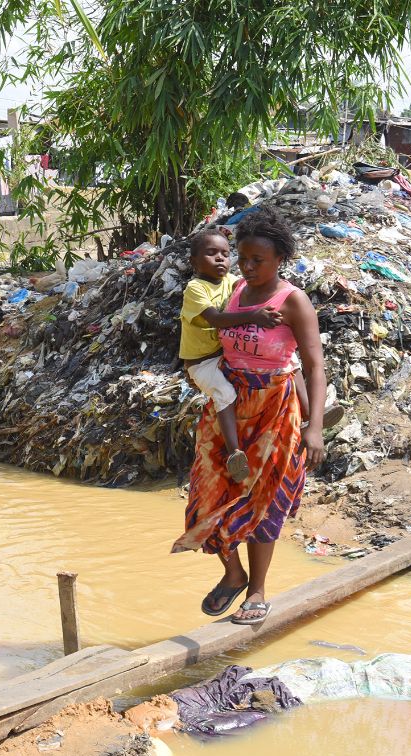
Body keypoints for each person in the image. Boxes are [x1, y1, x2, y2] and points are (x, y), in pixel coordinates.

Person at [173, 207, 327, 626]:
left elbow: (313, 366)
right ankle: (232, 573)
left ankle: (257, 590)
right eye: (243, 259)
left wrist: (314, 429)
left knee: (263, 502)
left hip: (275, 411)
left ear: (280, 259)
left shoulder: (293, 301)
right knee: (208, 495)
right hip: (227, 408)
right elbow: (206, 330)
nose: (248, 267)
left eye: (258, 260)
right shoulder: (235, 291)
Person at [180, 229, 282, 482]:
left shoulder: (232, 282)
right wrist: (255, 316)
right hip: (201, 363)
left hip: (223, 354)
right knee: (225, 394)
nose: (220, 259)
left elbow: (253, 288)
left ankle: (310, 416)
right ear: (194, 261)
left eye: (226, 254)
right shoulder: (195, 288)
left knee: (284, 362)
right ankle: (233, 452)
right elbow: (216, 319)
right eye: (211, 253)